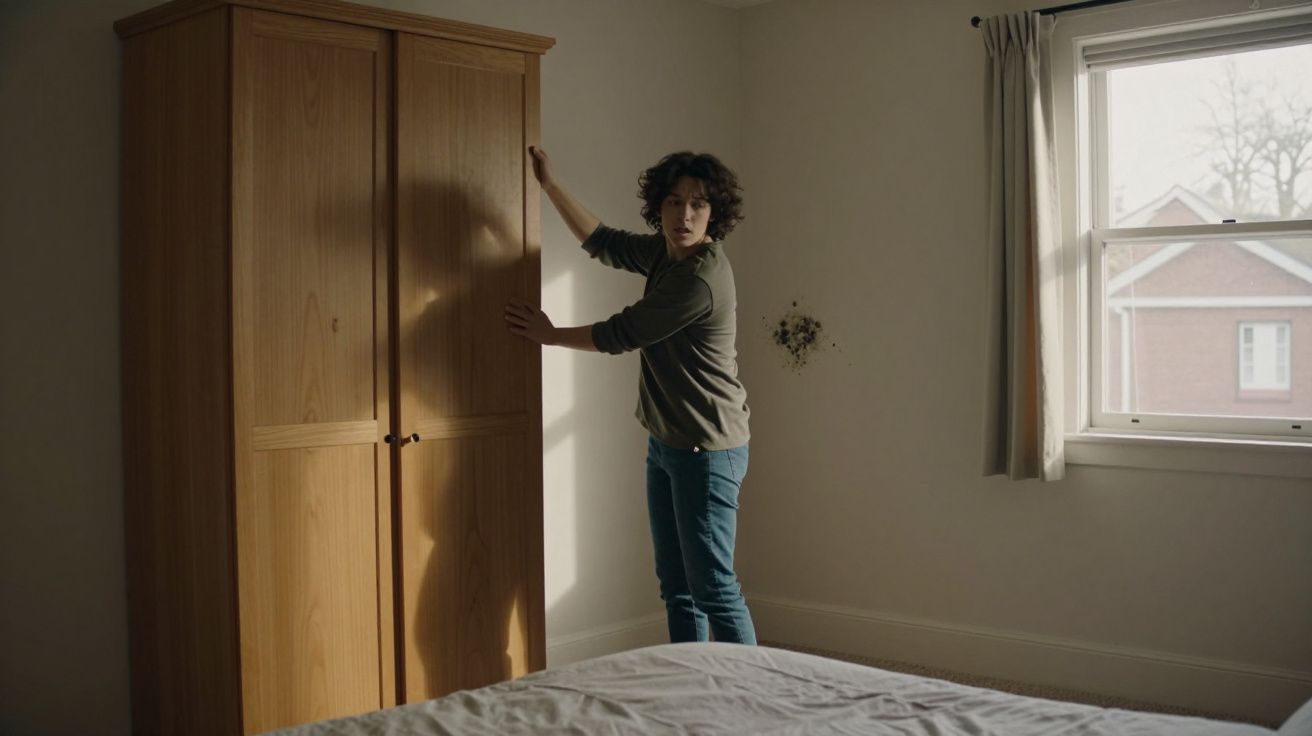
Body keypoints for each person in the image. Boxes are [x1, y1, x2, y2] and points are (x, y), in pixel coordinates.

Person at [505, 146, 756, 645]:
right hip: (668, 442)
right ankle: (691, 689)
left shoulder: (700, 278)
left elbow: (625, 332)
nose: (684, 215)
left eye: (699, 205)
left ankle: (751, 702)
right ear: (659, 206)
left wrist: (551, 335)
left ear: (715, 215)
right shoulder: (667, 253)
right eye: (674, 202)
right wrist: (550, 184)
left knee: (713, 588)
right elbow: (604, 242)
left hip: (707, 449)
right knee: (677, 588)